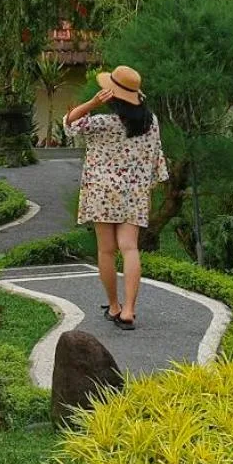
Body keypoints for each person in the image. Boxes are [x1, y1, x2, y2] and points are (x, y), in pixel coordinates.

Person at [63, 65, 167, 331]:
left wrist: (91, 103)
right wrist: (147, 187)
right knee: (129, 248)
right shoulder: (150, 123)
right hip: (134, 193)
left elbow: (69, 123)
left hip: (101, 192)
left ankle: (114, 306)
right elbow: (156, 158)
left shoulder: (101, 124)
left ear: (113, 96)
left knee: (106, 250)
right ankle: (130, 310)